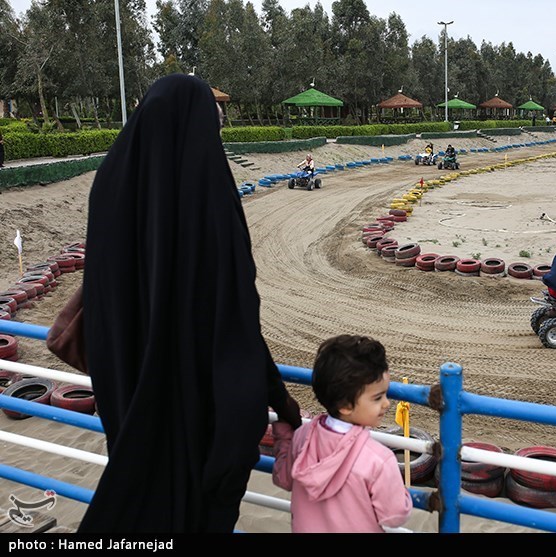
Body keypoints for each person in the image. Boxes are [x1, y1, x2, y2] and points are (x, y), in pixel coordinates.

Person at [77, 74, 302, 532]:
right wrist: (281, 400)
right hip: (198, 416)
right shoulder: (209, 205)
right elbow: (235, 320)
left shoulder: (111, 186)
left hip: (128, 394)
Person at [272, 334, 413, 533]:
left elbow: (283, 479)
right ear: (345, 405)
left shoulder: (302, 436)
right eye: (378, 397)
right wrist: (403, 496)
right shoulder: (379, 460)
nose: (387, 403)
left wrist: (285, 435)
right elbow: (394, 516)